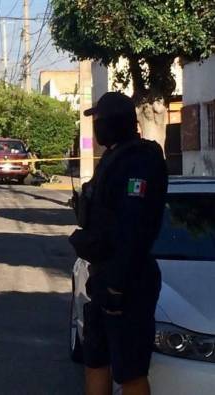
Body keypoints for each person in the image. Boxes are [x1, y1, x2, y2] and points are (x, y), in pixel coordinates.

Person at [69, 92, 168, 395]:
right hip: (103, 276)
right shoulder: (114, 157)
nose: (96, 128)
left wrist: (117, 286)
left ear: (115, 123)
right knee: (95, 359)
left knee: (129, 372)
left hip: (127, 281)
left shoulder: (139, 162)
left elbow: (133, 228)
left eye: (99, 121)